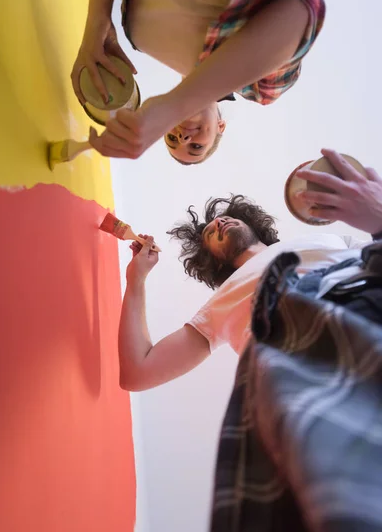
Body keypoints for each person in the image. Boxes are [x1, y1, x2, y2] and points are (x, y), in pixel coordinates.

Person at [72, 0, 359, 164]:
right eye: (197, 146)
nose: (183, 138)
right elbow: (305, 11)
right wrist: (172, 107)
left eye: (171, 140)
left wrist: (98, 18)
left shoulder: (140, 40)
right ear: (220, 127)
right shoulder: (260, 85)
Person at [118, 150, 382, 391]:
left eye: (222, 218)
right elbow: (138, 373)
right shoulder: (220, 305)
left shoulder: (333, 240)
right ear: (215, 262)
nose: (218, 221)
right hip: (320, 389)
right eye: (211, 232)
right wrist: (136, 279)